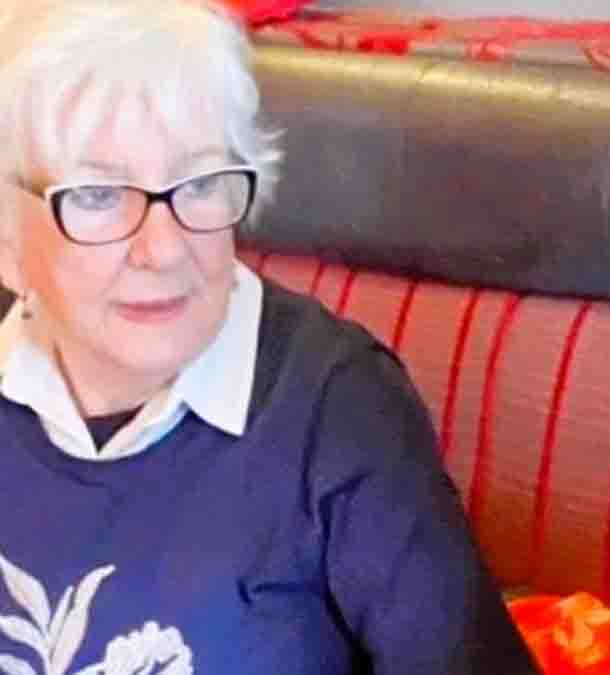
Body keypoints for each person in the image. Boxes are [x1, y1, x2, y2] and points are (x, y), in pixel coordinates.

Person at [0, 1, 536, 673]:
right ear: (7, 239)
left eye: (200, 183)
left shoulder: (338, 408)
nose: (164, 248)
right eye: (99, 195)